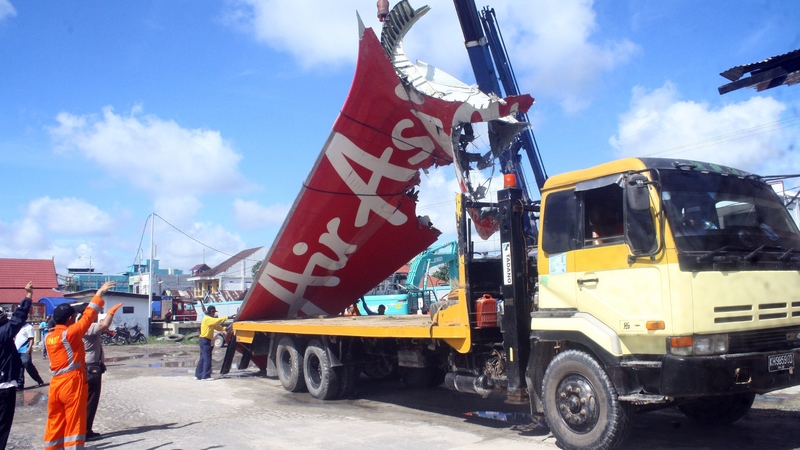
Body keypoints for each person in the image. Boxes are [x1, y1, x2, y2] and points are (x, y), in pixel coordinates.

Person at [44, 281, 114, 450]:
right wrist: (99, 294)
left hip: (55, 383)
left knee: (55, 421)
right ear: (70, 319)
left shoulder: (49, 337)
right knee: (74, 423)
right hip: (71, 383)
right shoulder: (70, 334)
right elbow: (88, 316)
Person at [82, 301, 123, 441]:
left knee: (87, 400)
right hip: (91, 368)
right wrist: (111, 312)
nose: (96, 316)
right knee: (91, 400)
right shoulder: (86, 326)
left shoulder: (79, 326)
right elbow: (104, 325)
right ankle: (85, 431)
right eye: (95, 313)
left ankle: (84, 429)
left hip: (87, 367)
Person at [0, 282, 33, 449]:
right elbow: (18, 318)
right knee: (2, 426)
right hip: (3, 386)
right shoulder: (3, 333)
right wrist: (28, 295)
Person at [195, 305, 231, 380]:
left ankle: (198, 375)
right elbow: (217, 321)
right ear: (211, 312)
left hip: (203, 340)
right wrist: (228, 317)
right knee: (207, 358)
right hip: (205, 340)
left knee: (202, 359)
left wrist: (225, 328)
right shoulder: (208, 319)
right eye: (214, 312)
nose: (214, 314)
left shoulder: (209, 320)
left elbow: (217, 327)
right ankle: (206, 376)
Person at [15, 320, 45, 389]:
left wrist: (29, 348)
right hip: (17, 349)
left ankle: (38, 379)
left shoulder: (29, 327)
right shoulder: (17, 326)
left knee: (27, 364)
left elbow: (31, 339)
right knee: (19, 367)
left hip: (25, 349)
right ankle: (20, 384)